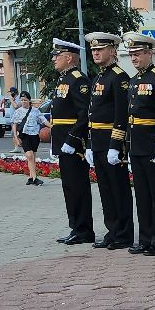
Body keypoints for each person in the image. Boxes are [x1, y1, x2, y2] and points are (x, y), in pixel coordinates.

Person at [118, 33, 155, 254]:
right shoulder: (134, 80)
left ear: (150, 53)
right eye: (131, 54)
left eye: (138, 54)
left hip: (152, 146)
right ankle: (146, 238)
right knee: (141, 195)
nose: (134, 58)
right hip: (137, 146)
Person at [85, 31, 135, 247]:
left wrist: (116, 145)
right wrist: (88, 144)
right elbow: (92, 113)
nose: (95, 53)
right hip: (97, 141)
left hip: (111, 142)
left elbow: (121, 114)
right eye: (93, 50)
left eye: (100, 49)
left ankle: (123, 234)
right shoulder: (99, 76)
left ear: (113, 51)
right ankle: (112, 231)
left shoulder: (119, 77)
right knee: (105, 189)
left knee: (118, 189)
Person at [46, 39, 95, 244]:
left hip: (74, 145)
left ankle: (84, 230)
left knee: (78, 187)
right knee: (69, 187)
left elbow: (84, 114)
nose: (54, 59)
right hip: (62, 141)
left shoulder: (78, 80)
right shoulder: (63, 79)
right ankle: (75, 227)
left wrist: (72, 139)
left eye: (58, 56)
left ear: (69, 58)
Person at [9, 90, 47, 186]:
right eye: (21, 100)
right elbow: (14, 124)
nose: (23, 102)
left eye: (25, 100)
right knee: (29, 155)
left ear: (29, 101)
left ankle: (30, 177)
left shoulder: (35, 111)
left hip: (34, 135)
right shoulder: (18, 112)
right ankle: (35, 178)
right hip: (24, 135)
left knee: (33, 156)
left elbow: (43, 121)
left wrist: (53, 127)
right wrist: (16, 138)